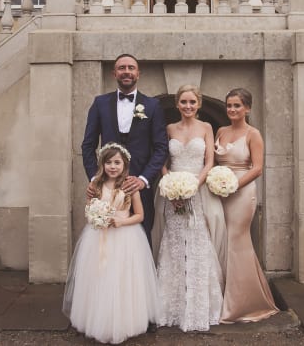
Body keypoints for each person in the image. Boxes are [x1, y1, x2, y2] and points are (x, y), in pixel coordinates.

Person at [63, 142, 160, 344]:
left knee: (122, 278)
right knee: (100, 277)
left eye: (117, 162)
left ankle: (126, 321)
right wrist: (96, 218)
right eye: (109, 162)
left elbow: (140, 215)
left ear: (124, 165)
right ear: (102, 164)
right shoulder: (95, 185)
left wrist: (121, 221)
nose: (113, 166)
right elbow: (88, 210)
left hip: (126, 237)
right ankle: (98, 319)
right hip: (98, 236)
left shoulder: (129, 187)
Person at [81, 54, 169, 246]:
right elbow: (88, 145)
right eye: (122, 68)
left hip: (138, 187)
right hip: (106, 187)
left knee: (141, 239)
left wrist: (143, 179)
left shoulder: (152, 106)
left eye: (131, 68)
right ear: (114, 73)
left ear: (138, 73)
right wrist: (95, 179)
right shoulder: (100, 103)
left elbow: (161, 148)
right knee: (103, 239)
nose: (126, 72)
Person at [156, 85, 223, 331]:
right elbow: (163, 161)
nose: (188, 106)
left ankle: (197, 309)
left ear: (199, 104)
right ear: (177, 104)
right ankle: (172, 308)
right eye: (183, 102)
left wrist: (193, 185)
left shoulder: (206, 128)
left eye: (192, 102)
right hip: (172, 194)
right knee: (173, 243)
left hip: (197, 190)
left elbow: (209, 161)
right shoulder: (169, 128)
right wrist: (170, 184)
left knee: (197, 243)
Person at [214, 88, 279, 324]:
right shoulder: (220, 131)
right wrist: (216, 182)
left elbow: (257, 168)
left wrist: (232, 185)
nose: (232, 110)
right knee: (220, 239)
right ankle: (220, 298)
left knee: (236, 241)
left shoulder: (253, 134)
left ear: (247, 108)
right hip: (219, 192)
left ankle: (242, 305)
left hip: (241, 193)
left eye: (237, 106)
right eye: (229, 105)